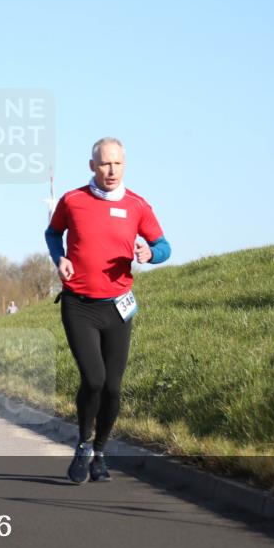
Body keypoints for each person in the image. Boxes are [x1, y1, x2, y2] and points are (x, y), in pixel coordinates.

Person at [44, 137, 171, 484]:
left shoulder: (137, 205)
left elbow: (164, 246)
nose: (111, 170)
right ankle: (83, 442)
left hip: (118, 307)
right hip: (79, 304)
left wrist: (151, 255)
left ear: (124, 165)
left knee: (113, 388)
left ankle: (100, 451)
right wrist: (61, 258)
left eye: (117, 163)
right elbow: (53, 233)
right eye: (104, 164)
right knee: (94, 379)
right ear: (92, 166)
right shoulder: (73, 200)